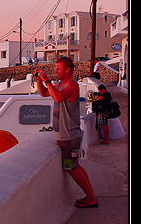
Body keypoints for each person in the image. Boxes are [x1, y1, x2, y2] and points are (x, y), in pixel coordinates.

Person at [34, 57, 100, 208]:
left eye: (58, 68)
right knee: (76, 167)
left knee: (72, 168)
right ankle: (91, 196)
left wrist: (47, 80)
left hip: (68, 135)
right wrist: (39, 80)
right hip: (67, 135)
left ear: (67, 69)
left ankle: (91, 198)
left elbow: (57, 97)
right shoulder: (61, 83)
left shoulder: (71, 85)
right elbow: (45, 93)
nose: (55, 71)